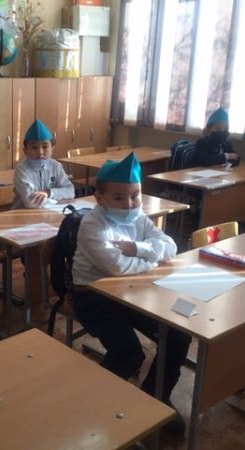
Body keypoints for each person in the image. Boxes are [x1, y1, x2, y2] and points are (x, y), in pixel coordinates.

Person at [71, 153, 189, 433]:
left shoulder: (138, 216)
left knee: (178, 335)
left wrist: (137, 248)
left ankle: (155, 398)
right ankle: (103, 407)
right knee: (129, 353)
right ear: (100, 198)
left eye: (135, 195)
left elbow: (170, 246)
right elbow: (116, 267)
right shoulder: (92, 224)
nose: (129, 204)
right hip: (93, 296)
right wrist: (152, 258)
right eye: (119, 197)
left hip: (131, 290)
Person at [13, 119, 74, 209]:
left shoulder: (56, 166)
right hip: (24, 213)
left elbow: (70, 192)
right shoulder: (21, 169)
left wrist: (48, 193)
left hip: (51, 212)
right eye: (34, 147)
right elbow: (31, 203)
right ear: (25, 151)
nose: (40, 152)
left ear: (52, 149)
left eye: (45, 147)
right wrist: (58, 201)